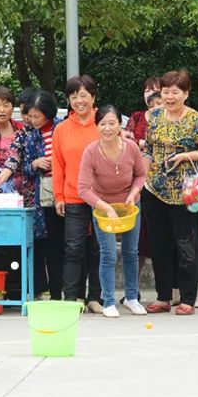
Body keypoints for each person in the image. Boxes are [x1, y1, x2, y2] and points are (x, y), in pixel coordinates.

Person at [143, 69, 198, 315]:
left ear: (186, 93)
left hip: (185, 193)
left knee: (187, 247)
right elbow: (149, 149)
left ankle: (187, 299)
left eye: (175, 92)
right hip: (155, 189)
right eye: (165, 92)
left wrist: (186, 155)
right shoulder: (153, 116)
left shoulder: (196, 120)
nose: (170, 97)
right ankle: (164, 297)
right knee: (159, 246)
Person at [78, 104, 148, 318]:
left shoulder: (131, 147)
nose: (107, 128)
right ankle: (108, 301)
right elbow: (83, 189)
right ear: (96, 126)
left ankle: (132, 298)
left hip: (129, 206)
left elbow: (141, 175)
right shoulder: (91, 151)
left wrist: (133, 193)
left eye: (112, 123)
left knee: (131, 252)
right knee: (107, 254)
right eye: (102, 124)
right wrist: (105, 207)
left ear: (120, 125)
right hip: (102, 208)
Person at [54, 75, 104, 313]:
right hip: (72, 196)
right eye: (74, 96)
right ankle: (71, 298)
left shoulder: (104, 125)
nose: (78, 100)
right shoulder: (61, 129)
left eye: (83, 95)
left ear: (93, 97)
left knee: (99, 248)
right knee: (73, 248)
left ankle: (96, 296)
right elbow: (58, 164)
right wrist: (58, 195)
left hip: (102, 197)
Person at [2, 90, 60, 298]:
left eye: (37, 116)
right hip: (38, 196)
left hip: (62, 192)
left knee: (59, 243)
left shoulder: (61, 128)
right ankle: (41, 289)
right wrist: (35, 164)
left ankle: (59, 290)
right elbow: (23, 168)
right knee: (40, 243)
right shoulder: (27, 134)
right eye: (30, 116)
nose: (32, 120)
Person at [125, 76, 161, 151]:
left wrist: (137, 141)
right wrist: (141, 143)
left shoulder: (169, 117)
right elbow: (125, 140)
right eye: (147, 91)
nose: (149, 94)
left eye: (154, 91)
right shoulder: (136, 116)